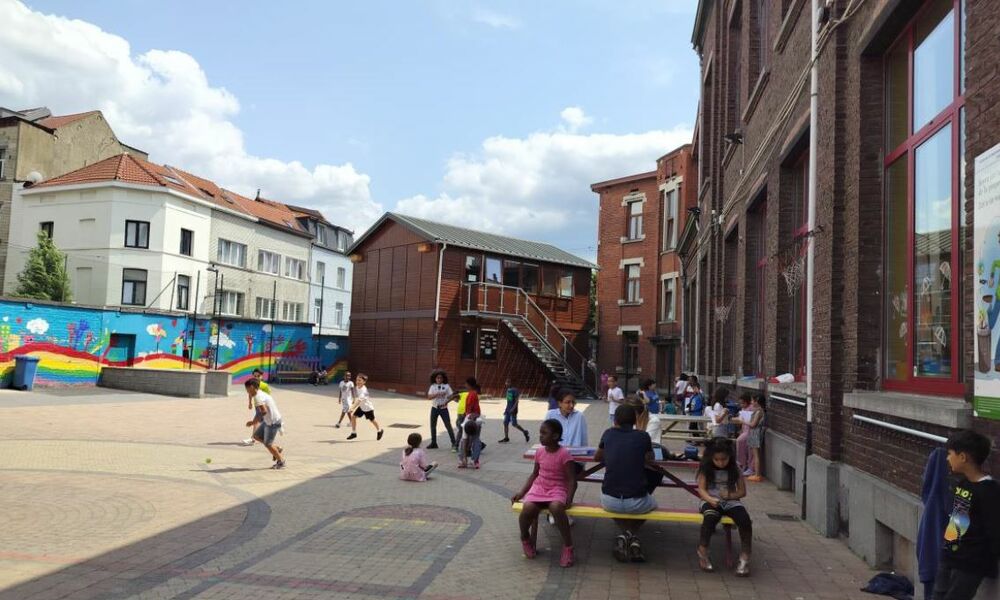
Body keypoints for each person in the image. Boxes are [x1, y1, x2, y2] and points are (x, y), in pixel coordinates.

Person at [933, 430, 1000, 600]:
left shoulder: (989, 491)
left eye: (950, 454)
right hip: (950, 557)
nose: (947, 458)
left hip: (970, 564)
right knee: (937, 595)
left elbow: (994, 529)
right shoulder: (963, 484)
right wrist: (947, 550)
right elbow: (957, 523)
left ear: (963, 457)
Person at [595, 405, 660, 562]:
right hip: (637, 502)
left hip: (609, 501)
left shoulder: (608, 434)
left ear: (615, 420)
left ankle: (625, 535)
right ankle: (631, 535)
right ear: (635, 420)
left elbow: (597, 457)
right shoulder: (643, 436)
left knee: (615, 506)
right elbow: (650, 459)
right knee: (654, 504)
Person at [511, 418, 578, 568]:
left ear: (555, 436)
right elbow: (534, 474)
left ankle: (568, 547)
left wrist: (569, 498)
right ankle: (525, 537)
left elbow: (572, 480)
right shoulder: (540, 452)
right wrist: (522, 493)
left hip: (557, 489)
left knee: (556, 508)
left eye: (544, 433)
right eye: (540, 433)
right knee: (527, 508)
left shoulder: (564, 454)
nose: (540, 436)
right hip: (539, 488)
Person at [696, 438, 753, 576]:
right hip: (710, 500)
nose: (721, 463)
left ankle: (745, 556)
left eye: (724, 459)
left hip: (731, 501)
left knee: (744, 520)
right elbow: (701, 490)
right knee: (710, 518)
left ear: (729, 457)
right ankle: (703, 551)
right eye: (717, 460)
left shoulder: (735, 468)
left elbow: (742, 492)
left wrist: (730, 495)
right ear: (711, 458)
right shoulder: (706, 468)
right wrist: (710, 498)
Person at [244, 379, 285, 469]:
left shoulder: (258, 397)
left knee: (268, 444)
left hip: (273, 422)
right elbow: (261, 412)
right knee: (256, 436)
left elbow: (263, 411)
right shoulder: (259, 393)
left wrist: (253, 422)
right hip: (269, 421)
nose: (247, 392)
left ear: (251, 387)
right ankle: (277, 449)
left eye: (247, 389)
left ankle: (281, 461)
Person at [347, 373, 383, 441]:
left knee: (372, 420)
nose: (357, 381)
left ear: (364, 382)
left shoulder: (363, 390)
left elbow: (359, 401)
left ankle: (379, 431)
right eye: (357, 380)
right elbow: (358, 400)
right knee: (353, 417)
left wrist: (352, 408)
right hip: (362, 407)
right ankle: (354, 433)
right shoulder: (357, 387)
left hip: (368, 408)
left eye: (360, 380)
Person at [426, 372, 457, 449]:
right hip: (434, 408)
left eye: (440, 378)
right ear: (435, 379)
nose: (439, 379)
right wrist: (437, 394)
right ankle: (434, 443)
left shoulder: (446, 386)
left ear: (443, 379)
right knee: (433, 426)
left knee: (448, 426)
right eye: (437, 378)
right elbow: (429, 397)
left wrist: (452, 398)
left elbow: (451, 396)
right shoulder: (433, 386)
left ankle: (454, 443)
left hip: (443, 408)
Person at [242, 369, 272, 445]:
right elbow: (250, 393)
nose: (256, 377)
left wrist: (267, 406)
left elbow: (268, 396)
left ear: (262, 376)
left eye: (258, 376)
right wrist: (250, 403)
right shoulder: (252, 384)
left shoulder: (264, 385)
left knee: (256, 422)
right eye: (254, 376)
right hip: (257, 406)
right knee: (262, 422)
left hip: (262, 407)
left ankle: (253, 439)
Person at [458, 377, 483, 468]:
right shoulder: (475, 394)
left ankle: (463, 460)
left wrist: (469, 417)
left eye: (466, 384)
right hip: (477, 419)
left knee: (464, 440)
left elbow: (469, 409)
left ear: (469, 385)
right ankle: (475, 461)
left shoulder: (470, 395)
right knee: (476, 440)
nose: (465, 386)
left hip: (470, 419)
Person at [499, 379, 530, 444]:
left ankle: (525, 432)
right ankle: (506, 438)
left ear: (511, 383)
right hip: (508, 410)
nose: (506, 383)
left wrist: (513, 409)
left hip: (513, 410)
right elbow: (508, 401)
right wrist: (506, 409)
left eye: (508, 382)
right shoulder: (508, 390)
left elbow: (516, 401)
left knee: (514, 424)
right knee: (505, 423)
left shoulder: (515, 390)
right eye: (506, 382)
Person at [744, 395, 766, 482]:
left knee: (756, 454)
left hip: (755, 433)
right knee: (755, 454)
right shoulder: (758, 411)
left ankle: (757, 474)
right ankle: (757, 473)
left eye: (753, 401)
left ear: (757, 402)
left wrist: (743, 421)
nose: (752, 403)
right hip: (755, 433)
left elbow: (753, 424)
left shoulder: (758, 412)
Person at [735, 394, 753, 473]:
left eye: (743, 403)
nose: (741, 405)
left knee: (740, 441)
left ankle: (744, 464)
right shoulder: (743, 409)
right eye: (740, 403)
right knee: (744, 446)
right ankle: (743, 464)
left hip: (749, 430)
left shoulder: (751, 409)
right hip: (745, 430)